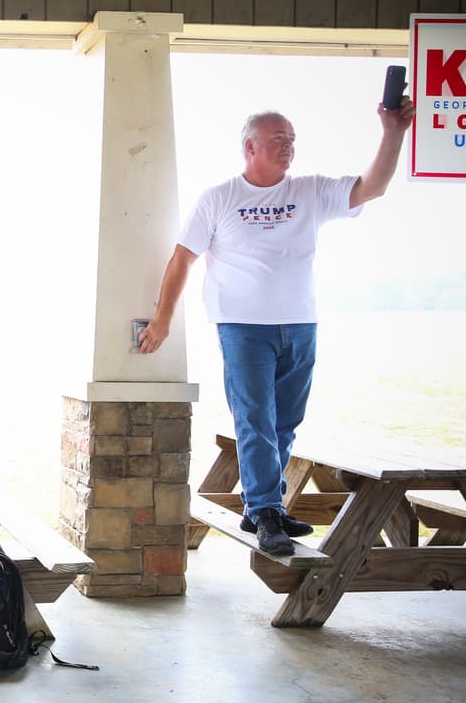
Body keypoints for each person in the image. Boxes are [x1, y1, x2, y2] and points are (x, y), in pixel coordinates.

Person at [138, 97, 415, 555]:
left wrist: (393, 132)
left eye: (291, 140)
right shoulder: (220, 198)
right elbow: (183, 258)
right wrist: (164, 318)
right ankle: (267, 509)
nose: (288, 147)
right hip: (243, 327)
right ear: (250, 147)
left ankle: (261, 506)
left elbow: (372, 188)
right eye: (278, 140)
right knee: (255, 420)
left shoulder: (308, 191)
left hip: (301, 325)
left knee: (285, 421)